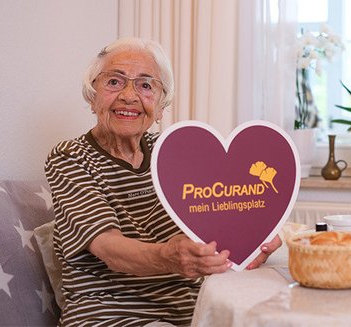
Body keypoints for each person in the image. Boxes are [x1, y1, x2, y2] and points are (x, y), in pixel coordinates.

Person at [45, 37, 280, 326]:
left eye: (145, 85)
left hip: (191, 311)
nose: (129, 96)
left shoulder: (173, 152)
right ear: (92, 95)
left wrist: (249, 243)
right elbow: (108, 247)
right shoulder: (70, 157)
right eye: (115, 82)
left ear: (160, 106)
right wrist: (169, 256)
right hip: (113, 314)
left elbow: (219, 225)